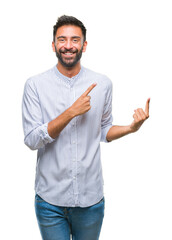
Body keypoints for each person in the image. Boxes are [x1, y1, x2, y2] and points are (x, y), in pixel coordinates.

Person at [22, 15, 150, 240]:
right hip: (50, 200)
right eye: (62, 40)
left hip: (91, 200)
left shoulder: (103, 83)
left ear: (84, 45)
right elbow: (32, 139)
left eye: (75, 40)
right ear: (53, 45)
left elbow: (103, 130)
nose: (68, 46)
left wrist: (131, 128)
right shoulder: (35, 85)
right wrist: (71, 112)